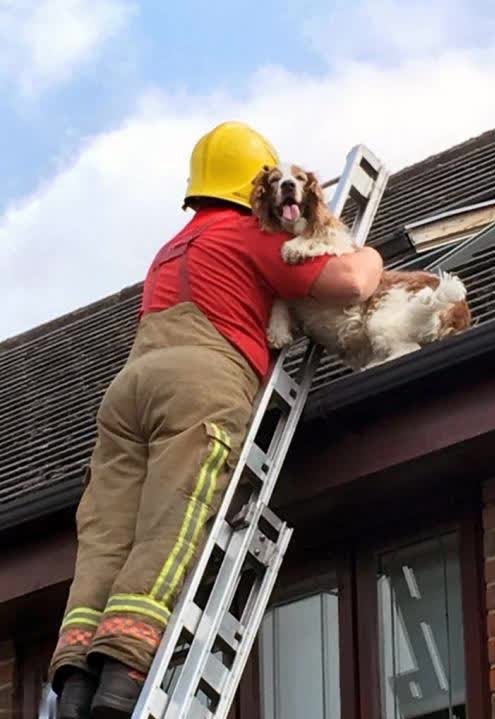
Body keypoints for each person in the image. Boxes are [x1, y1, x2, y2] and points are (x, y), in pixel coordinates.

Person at [49, 121, 383, 719]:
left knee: (107, 534)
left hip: (127, 392)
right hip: (201, 381)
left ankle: (75, 684)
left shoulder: (172, 247)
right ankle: (123, 676)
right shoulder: (251, 233)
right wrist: (374, 255)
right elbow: (351, 282)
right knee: (173, 519)